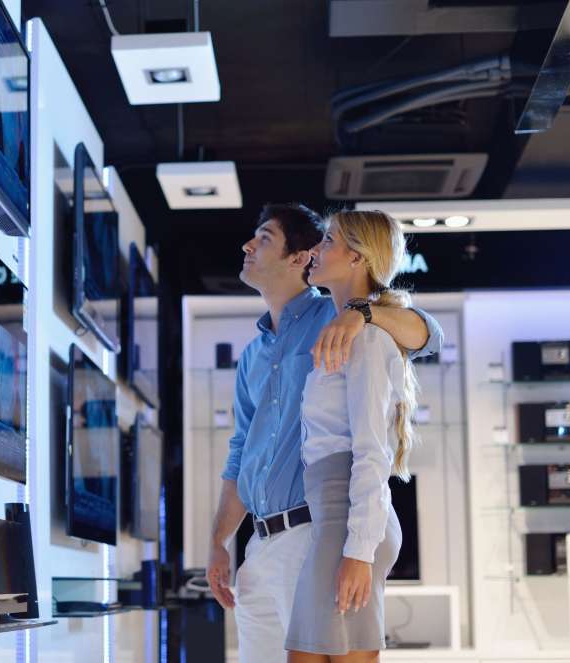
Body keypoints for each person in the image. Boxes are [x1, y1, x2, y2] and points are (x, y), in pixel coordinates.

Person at [205, 204, 442, 663]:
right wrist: (219, 541)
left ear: (298, 258)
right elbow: (241, 453)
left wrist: (364, 314)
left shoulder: (336, 316)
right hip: (259, 544)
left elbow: (430, 335)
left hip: (313, 529)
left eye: (264, 238)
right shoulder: (252, 356)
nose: (246, 246)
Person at [285, 210, 417, 661]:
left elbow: (371, 452)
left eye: (328, 240)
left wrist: (359, 552)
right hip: (336, 518)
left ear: (357, 257)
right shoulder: (347, 329)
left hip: (350, 522)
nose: (317, 249)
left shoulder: (368, 339)